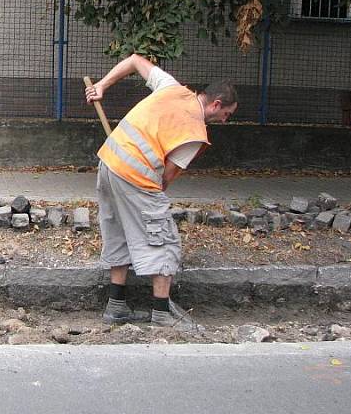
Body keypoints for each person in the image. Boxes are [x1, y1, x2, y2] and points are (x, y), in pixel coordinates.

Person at [85, 54, 237, 330]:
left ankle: (116, 305)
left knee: (118, 230)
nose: (225, 121)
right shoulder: (194, 132)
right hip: (137, 177)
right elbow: (165, 178)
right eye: (226, 114)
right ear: (216, 104)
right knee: (163, 239)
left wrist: (102, 86)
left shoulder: (171, 87)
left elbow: (133, 60)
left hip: (108, 162)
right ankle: (162, 311)